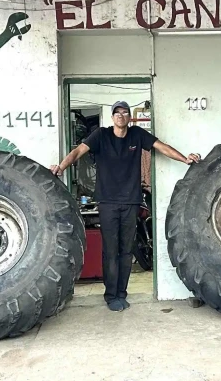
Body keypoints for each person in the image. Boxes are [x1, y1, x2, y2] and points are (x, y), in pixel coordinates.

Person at [51, 101, 201, 312]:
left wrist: (185, 159)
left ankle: (122, 293)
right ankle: (111, 295)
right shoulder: (101, 136)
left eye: (125, 113)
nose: (121, 116)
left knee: (126, 251)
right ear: (112, 117)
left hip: (131, 201)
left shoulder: (137, 135)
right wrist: (61, 166)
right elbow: (78, 152)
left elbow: (162, 147)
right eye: (117, 113)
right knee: (111, 251)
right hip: (107, 203)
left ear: (129, 117)